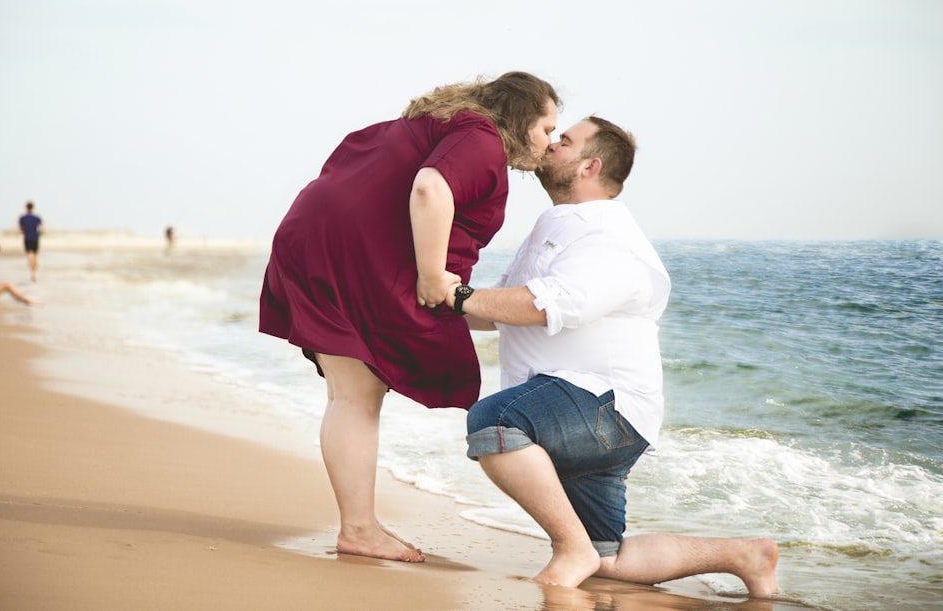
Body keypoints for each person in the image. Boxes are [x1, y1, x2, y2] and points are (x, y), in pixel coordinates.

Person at [445, 116, 779, 596]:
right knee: (607, 558)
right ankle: (746, 555)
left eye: (565, 140)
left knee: (496, 422)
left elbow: (552, 304)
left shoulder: (606, 234)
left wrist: (459, 296)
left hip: (601, 404)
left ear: (590, 165)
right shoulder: (562, 225)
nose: (551, 143)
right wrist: (422, 305)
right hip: (593, 412)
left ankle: (568, 547)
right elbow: (498, 309)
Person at [259, 71, 561, 563]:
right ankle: (358, 529)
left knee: (351, 391)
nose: (549, 142)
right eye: (548, 127)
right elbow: (429, 188)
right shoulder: (481, 137)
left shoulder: (443, 125)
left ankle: (360, 525)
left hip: (324, 241)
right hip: (343, 252)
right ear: (521, 116)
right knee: (356, 394)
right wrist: (430, 274)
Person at [18, 201, 43, 281]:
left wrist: (25, 231)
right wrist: (39, 234)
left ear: (26, 208)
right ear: (33, 208)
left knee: (29, 255)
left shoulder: (22, 218)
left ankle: (31, 273)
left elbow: (20, 228)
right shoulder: (37, 218)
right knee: (35, 256)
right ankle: (34, 273)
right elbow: (41, 228)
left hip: (27, 238)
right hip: (35, 238)